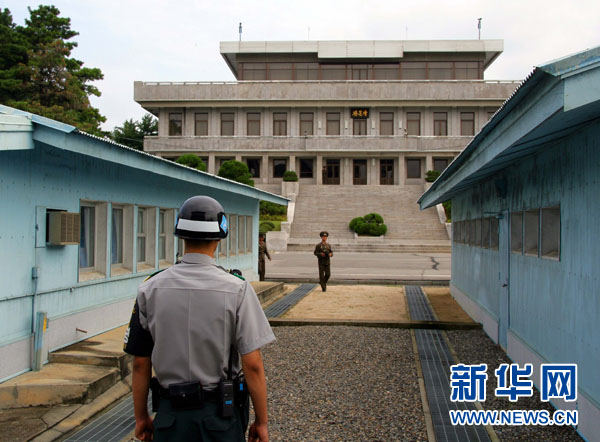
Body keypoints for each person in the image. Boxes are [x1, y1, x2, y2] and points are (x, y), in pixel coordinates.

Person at [124, 195, 274, 442]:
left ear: (181, 235)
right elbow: (253, 364)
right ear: (219, 238)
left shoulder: (149, 288)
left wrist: (141, 417)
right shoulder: (237, 289)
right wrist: (261, 421)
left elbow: (141, 363)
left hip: (170, 416)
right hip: (219, 417)